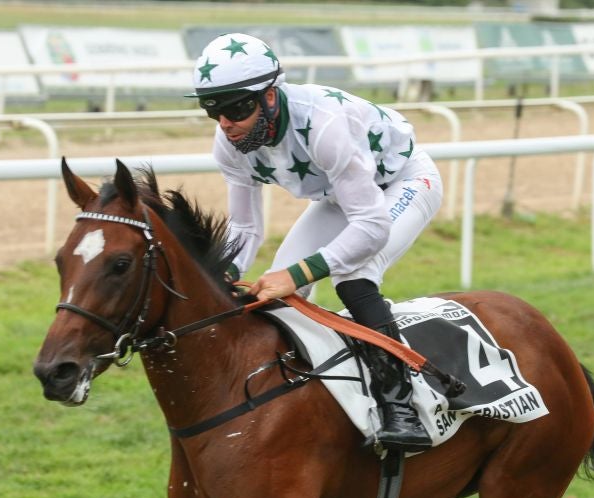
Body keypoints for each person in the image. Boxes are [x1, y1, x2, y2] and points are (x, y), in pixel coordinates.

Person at [187, 33, 443, 452]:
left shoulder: (323, 124)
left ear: (270, 97)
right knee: (279, 300)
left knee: (353, 275)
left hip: (403, 183)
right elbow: (245, 229)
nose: (225, 123)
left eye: (236, 109)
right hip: (342, 199)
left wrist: (298, 273)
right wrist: (221, 275)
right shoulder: (229, 145)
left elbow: (372, 226)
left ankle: (402, 407)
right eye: (213, 111)